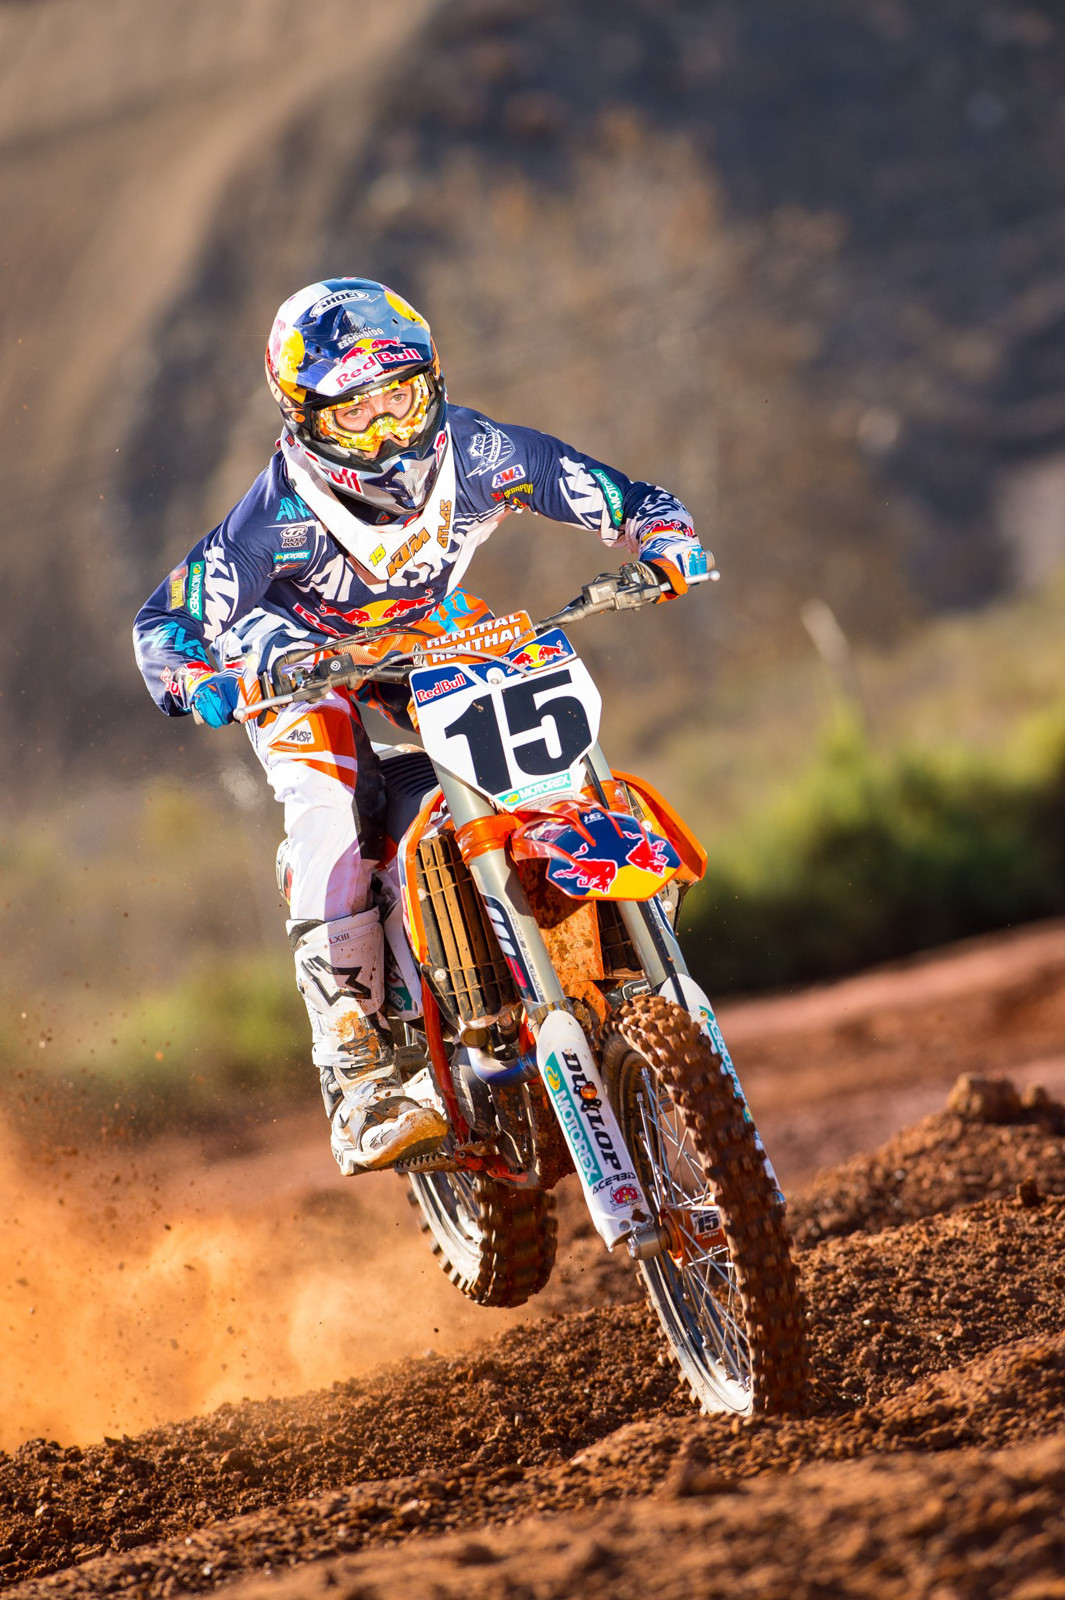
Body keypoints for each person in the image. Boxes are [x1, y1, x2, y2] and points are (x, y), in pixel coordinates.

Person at [133, 277, 708, 1176]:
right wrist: (199, 679)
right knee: (330, 808)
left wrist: (662, 538)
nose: (386, 433)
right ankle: (355, 1065)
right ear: (305, 420)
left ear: (430, 382)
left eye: (398, 398)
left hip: (422, 629)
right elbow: (164, 623)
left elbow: (619, 495)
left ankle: (578, 923)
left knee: (536, 737)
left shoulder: (479, 451)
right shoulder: (277, 516)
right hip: (294, 659)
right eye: (354, 414)